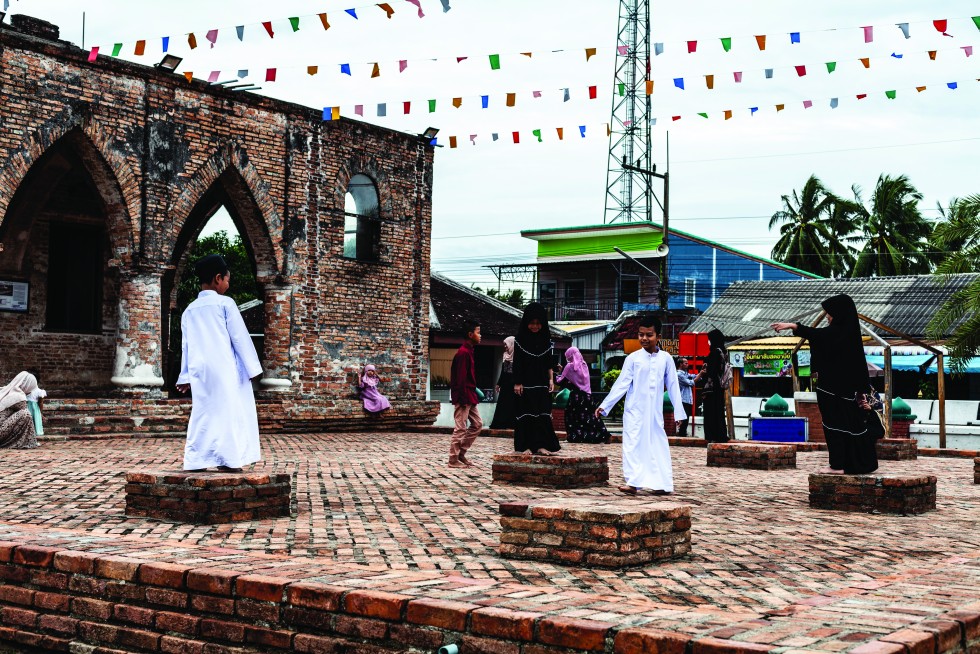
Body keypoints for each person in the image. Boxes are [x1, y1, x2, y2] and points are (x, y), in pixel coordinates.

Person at [772, 294, 878, 475]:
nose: (828, 317)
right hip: (847, 391)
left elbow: (816, 335)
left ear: (838, 313)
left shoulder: (835, 332)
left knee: (833, 426)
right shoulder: (851, 333)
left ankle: (837, 465)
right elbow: (858, 365)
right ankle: (858, 463)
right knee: (851, 426)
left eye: (829, 313)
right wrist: (861, 391)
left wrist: (793, 326)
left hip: (831, 389)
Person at [176, 254, 263, 473]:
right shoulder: (226, 304)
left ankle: (196, 460)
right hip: (224, 368)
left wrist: (184, 375)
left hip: (200, 370)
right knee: (228, 411)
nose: (228, 284)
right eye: (227, 280)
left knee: (203, 412)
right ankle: (230, 459)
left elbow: (186, 346)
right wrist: (253, 369)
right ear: (217, 278)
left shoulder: (189, 310)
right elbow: (240, 338)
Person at [595, 315, 685, 495]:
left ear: (658, 336)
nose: (644, 338)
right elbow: (621, 384)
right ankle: (633, 482)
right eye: (641, 334)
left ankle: (661, 484)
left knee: (657, 444)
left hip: (654, 412)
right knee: (632, 444)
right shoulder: (633, 358)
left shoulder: (666, 359)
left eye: (649, 335)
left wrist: (679, 414)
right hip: (634, 410)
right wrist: (605, 405)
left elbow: (674, 386)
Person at [513, 303, 562, 456]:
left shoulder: (546, 340)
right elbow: (517, 363)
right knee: (526, 414)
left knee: (542, 414)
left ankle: (541, 445)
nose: (535, 326)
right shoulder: (520, 340)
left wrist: (551, 380)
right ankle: (524, 446)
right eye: (532, 323)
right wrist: (518, 382)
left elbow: (548, 362)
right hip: (526, 383)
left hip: (541, 383)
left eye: (538, 323)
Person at [556, 346, 610, 444]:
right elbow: (575, 379)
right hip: (587, 396)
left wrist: (556, 373)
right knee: (591, 418)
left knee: (573, 418)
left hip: (576, 397)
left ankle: (575, 437)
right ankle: (602, 435)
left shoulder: (569, 366)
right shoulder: (584, 365)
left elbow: (561, 381)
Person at [449, 321, 482, 468]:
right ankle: (453, 459)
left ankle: (461, 453)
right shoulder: (463, 353)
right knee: (461, 428)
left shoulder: (470, 351)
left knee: (477, 424)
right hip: (463, 395)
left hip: (470, 394)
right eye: (478, 332)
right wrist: (461, 399)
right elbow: (460, 378)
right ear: (470, 334)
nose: (480, 336)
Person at [695, 329, 731, 443]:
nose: (708, 342)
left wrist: (705, 370)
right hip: (719, 388)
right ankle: (720, 435)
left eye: (709, 340)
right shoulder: (723, 352)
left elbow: (711, 371)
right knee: (719, 412)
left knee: (711, 413)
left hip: (711, 389)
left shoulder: (714, 353)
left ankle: (712, 436)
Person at [0, 371, 40, 449]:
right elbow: (27, 418)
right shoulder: (19, 397)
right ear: (27, 385)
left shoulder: (6, 390)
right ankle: (30, 442)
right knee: (26, 414)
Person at [489, 336, 517, 430]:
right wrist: (498, 383)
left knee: (512, 404)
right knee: (502, 404)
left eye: (506, 344)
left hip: (513, 385)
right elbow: (503, 372)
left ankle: (511, 424)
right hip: (505, 384)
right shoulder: (505, 355)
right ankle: (500, 423)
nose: (505, 346)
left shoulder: (518, 357)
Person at [675, 357, 694, 436]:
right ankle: (681, 433)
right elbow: (690, 383)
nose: (687, 365)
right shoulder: (679, 374)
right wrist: (700, 374)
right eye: (685, 363)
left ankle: (683, 432)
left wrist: (700, 375)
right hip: (683, 399)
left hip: (688, 399)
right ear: (680, 364)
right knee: (684, 418)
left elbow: (693, 376)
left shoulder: (685, 374)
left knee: (686, 418)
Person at [25, 371, 47, 436]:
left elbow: (40, 403)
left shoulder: (39, 391)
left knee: (34, 419)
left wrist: (40, 413)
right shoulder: (25, 390)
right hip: (27, 407)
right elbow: (41, 403)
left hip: (34, 408)